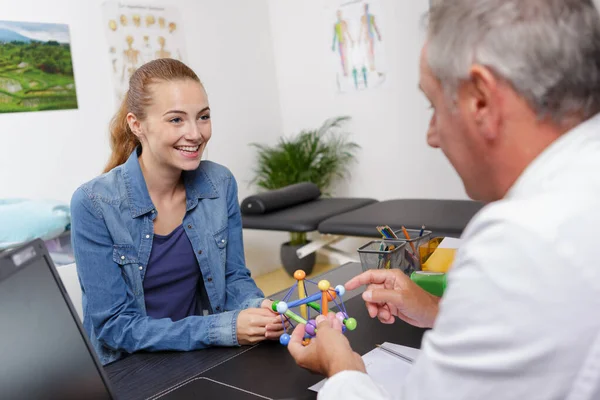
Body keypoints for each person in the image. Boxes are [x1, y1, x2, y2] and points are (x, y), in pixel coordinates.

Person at [288, 1, 600, 398]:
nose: (432, 136)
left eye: (434, 107)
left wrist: (342, 369)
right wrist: (441, 314)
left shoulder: (524, 238)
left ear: (481, 100)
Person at [70, 58, 284, 366]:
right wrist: (222, 329)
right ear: (136, 124)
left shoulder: (219, 183)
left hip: (194, 355)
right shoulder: (93, 203)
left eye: (203, 117)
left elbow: (233, 275)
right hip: (127, 367)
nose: (195, 134)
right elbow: (114, 327)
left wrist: (258, 307)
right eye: (176, 120)